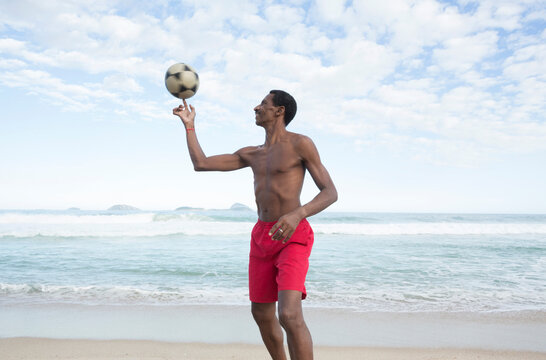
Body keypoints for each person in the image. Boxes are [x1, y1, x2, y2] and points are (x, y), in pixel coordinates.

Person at [173, 90, 337, 360]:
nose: (256, 107)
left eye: (263, 103)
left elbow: (330, 192)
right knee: (261, 313)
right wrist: (189, 124)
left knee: (288, 314)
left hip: (293, 234)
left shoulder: (301, 144)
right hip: (262, 235)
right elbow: (201, 164)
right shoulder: (252, 154)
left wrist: (298, 214)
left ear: (279, 111)